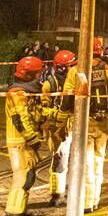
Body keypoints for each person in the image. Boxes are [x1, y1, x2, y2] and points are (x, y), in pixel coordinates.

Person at [59, 37, 108, 213]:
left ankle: (84, 203)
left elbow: (68, 97)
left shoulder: (76, 71)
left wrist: (61, 121)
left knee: (85, 162)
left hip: (84, 122)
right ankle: (94, 200)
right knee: (98, 161)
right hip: (104, 121)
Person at [2, 56, 46, 216]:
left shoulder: (28, 91)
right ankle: (13, 212)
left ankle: (21, 209)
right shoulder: (18, 93)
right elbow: (20, 118)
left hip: (25, 141)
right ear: (30, 75)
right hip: (20, 141)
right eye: (37, 73)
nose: (39, 77)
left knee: (29, 175)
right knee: (23, 177)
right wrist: (33, 137)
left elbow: (33, 113)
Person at [42, 49, 75, 207]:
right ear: (62, 68)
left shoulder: (75, 81)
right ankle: (57, 194)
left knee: (73, 160)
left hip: (74, 126)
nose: (73, 69)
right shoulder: (50, 84)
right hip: (57, 128)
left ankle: (71, 190)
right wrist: (58, 114)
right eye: (70, 66)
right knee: (59, 159)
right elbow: (43, 108)